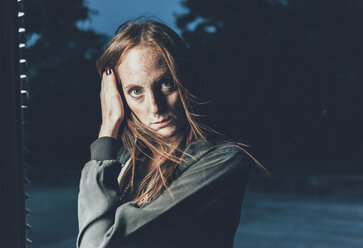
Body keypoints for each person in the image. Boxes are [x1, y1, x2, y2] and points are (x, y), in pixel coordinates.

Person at [77, 18, 267, 248]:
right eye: (136, 91)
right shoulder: (125, 161)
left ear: (185, 80)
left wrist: (107, 132)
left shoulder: (221, 162)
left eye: (166, 84)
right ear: (119, 97)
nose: (155, 107)